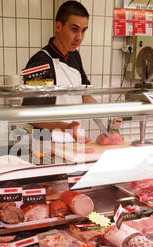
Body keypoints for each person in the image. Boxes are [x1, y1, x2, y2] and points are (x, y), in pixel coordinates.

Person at [23, 1, 96, 143]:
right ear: (58, 26)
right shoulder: (40, 62)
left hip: (72, 140)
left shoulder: (74, 55)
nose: (79, 37)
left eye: (83, 30)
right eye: (74, 29)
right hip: (47, 145)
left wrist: (99, 107)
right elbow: (30, 116)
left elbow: (84, 89)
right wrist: (65, 127)